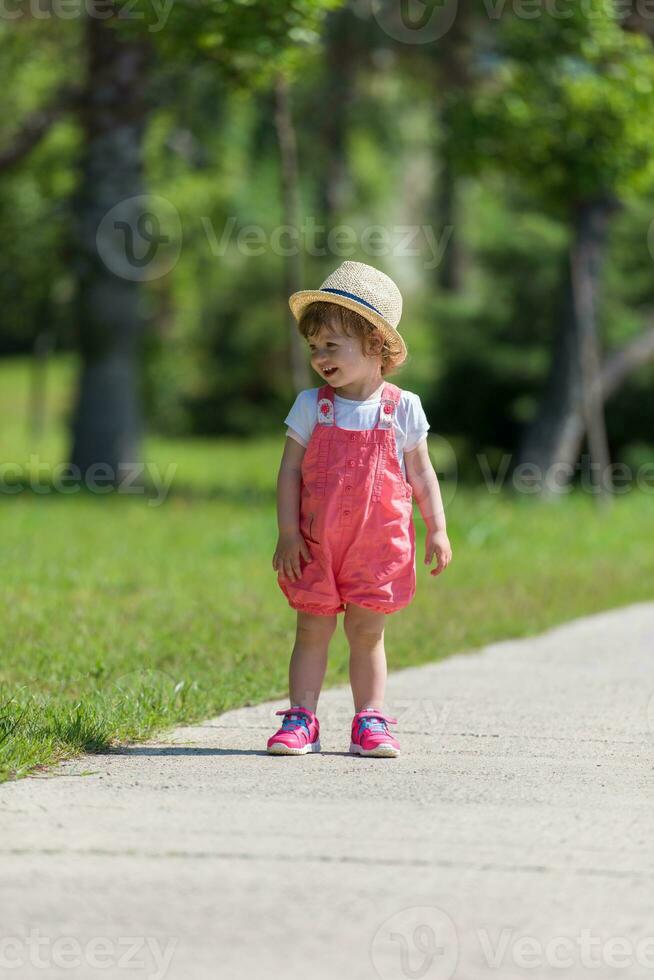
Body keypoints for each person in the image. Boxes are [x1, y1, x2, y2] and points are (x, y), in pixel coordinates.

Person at [269, 260, 452, 758]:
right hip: (316, 543)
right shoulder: (312, 406)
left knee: (367, 633)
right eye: (315, 347)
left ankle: (369, 721)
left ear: (376, 345)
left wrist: (437, 529)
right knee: (311, 628)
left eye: (333, 345)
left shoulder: (403, 407)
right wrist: (287, 532)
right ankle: (301, 718)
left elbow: (422, 475)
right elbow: (288, 472)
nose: (320, 356)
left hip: (378, 545)